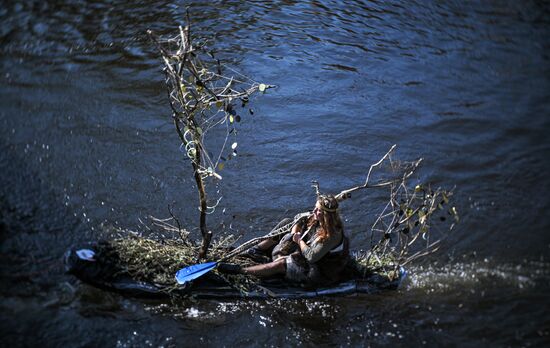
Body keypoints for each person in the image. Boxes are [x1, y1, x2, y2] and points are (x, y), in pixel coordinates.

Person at [220, 195, 349, 286]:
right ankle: (256, 250)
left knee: (281, 263)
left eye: (318, 210)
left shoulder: (332, 235)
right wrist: (296, 227)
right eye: (315, 208)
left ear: (327, 215)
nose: (314, 211)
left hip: (322, 270)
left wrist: (298, 240)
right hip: (311, 255)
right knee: (287, 222)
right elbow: (298, 217)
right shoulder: (317, 218)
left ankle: (240, 271)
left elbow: (311, 257)